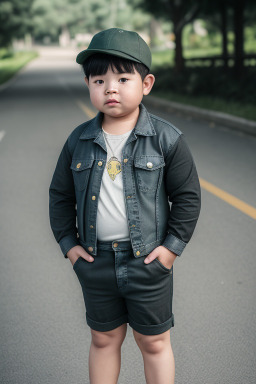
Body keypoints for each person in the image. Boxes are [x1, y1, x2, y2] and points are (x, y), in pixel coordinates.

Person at [49, 28, 201, 384]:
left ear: (146, 83)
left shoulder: (166, 139)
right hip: (95, 260)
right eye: (99, 79)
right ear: (88, 84)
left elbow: (188, 197)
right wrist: (69, 246)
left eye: (122, 78)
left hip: (148, 261)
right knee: (103, 339)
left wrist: (170, 250)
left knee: (154, 342)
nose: (110, 88)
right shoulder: (79, 141)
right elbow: (60, 196)